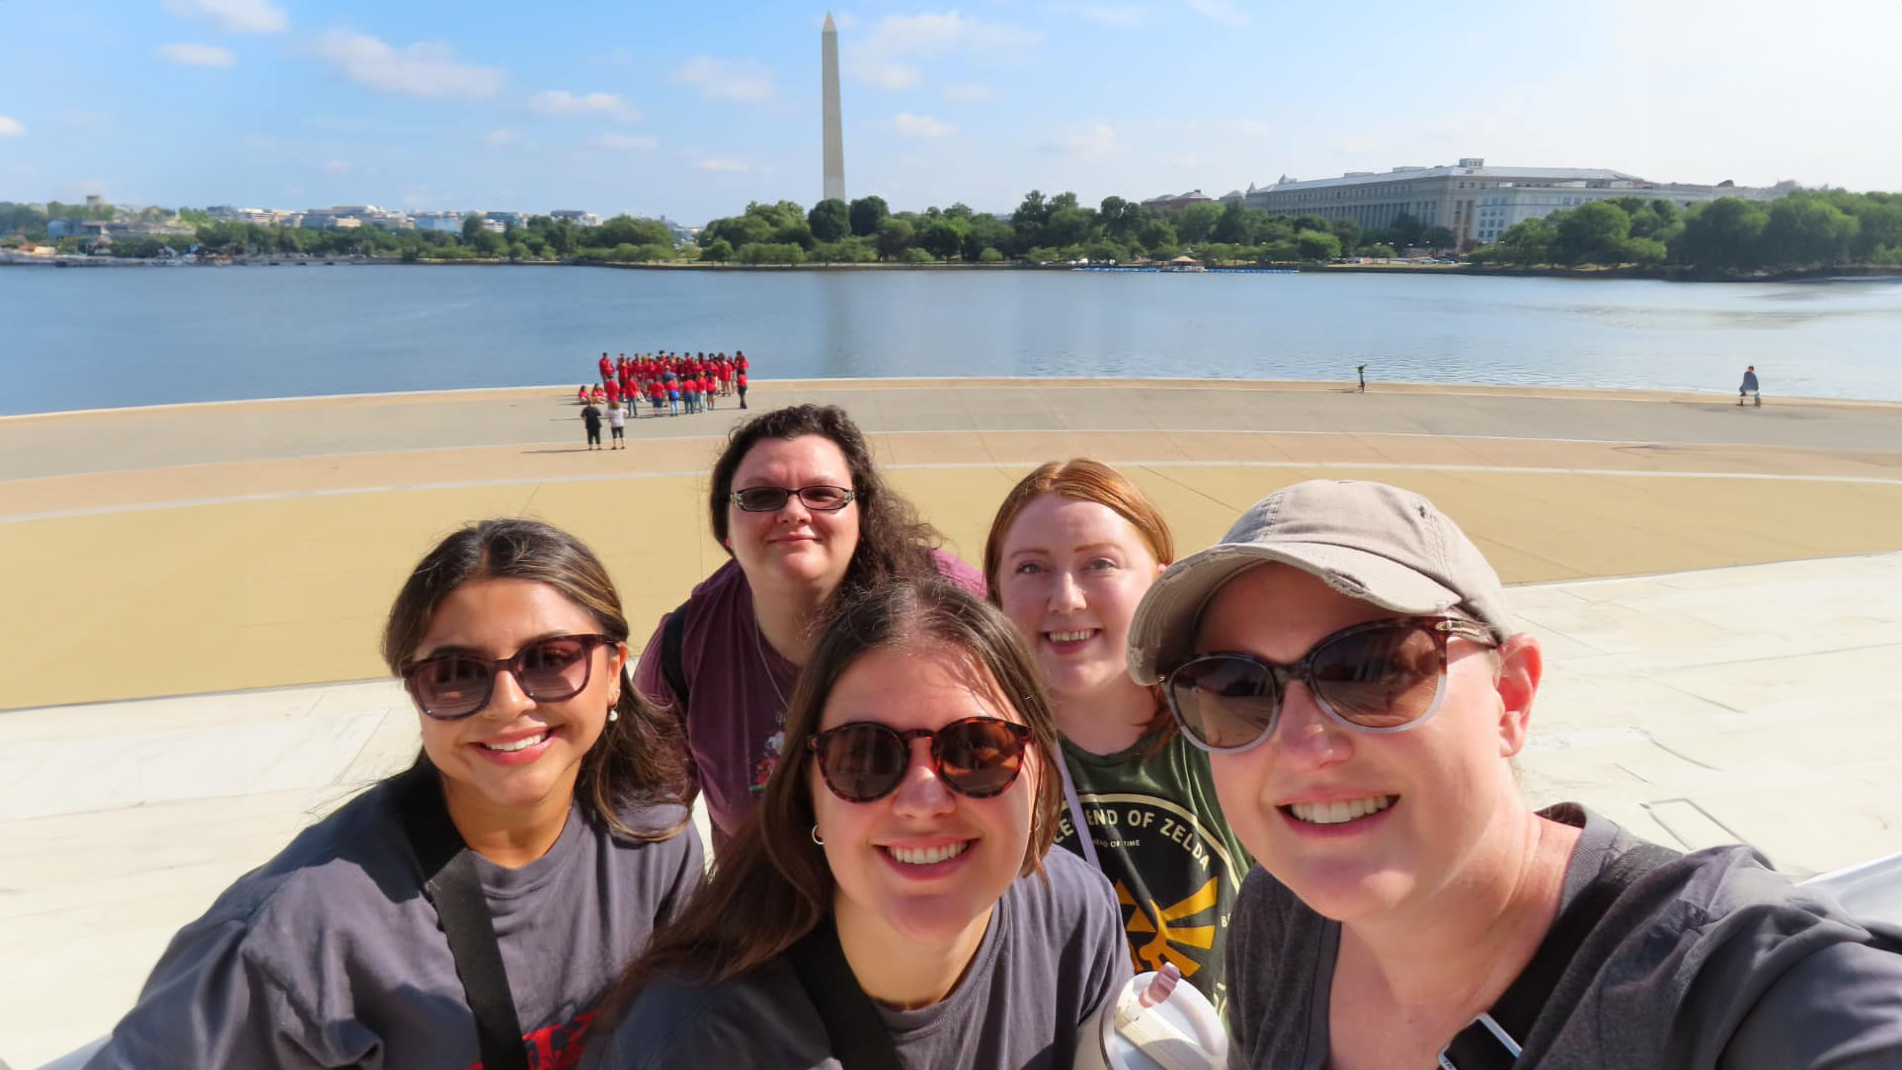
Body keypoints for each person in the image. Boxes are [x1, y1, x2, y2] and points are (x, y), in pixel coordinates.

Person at [1124, 479, 1902, 1070]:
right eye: (1233, 688)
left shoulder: (1709, 981)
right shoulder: (1285, 916)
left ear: (1511, 696)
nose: (1301, 744)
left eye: (1369, 670)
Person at [86, 519, 703, 1070]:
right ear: (416, 693)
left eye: (551, 658)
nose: (509, 702)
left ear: (615, 670)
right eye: (457, 674)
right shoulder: (296, 932)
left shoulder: (651, 838)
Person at [588, 578, 1132, 1069]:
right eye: (865, 757)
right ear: (810, 792)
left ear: (1040, 767)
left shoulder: (1076, 919)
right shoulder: (695, 1040)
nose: (923, 799)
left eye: (977, 748)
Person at [632, 404, 984, 848]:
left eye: (822, 494)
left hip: (931, 899)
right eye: (761, 497)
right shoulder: (685, 647)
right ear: (726, 530)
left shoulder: (952, 601)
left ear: (862, 518)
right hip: (770, 912)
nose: (795, 512)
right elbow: (641, 817)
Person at [985, 459, 1252, 1015]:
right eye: (1031, 568)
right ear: (995, 594)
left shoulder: (1236, 732)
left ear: (1160, 580)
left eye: (1099, 564)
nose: (1065, 598)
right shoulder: (972, 760)